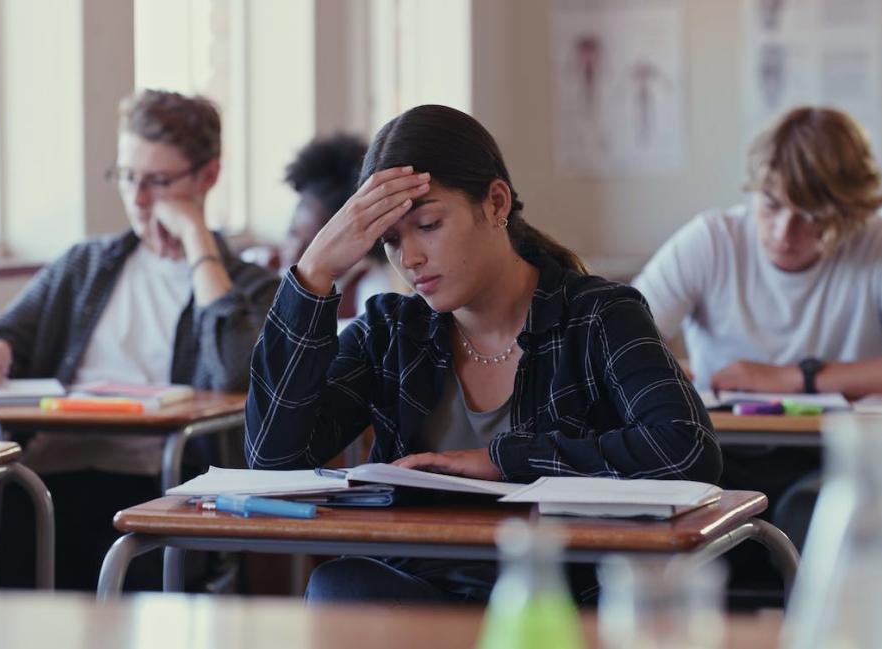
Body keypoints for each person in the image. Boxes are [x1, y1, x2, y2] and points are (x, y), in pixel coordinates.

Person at [245, 104, 720, 603]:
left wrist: (505, 460)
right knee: (337, 587)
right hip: (419, 590)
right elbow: (272, 463)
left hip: (557, 596)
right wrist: (315, 270)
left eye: (428, 225)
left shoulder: (599, 315)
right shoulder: (390, 332)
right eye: (389, 241)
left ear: (496, 203)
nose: (410, 259)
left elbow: (686, 449)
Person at [633, 106, 882, 586]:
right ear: (754, 189)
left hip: (832, 461)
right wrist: (663, 376)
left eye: (812, 217)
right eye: (771, 204)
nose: (783, 232)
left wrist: (799, 378)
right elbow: (611, 346)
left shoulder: (880, 245)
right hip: (717, 460)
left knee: (832, 515)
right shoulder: (712, 240)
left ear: (850, 214)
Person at [0, 89, 278, 589]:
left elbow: (233, 372)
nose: (138, 199)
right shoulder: (86, 266)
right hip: (50, 475)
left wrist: (197, 241)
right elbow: (4, 335)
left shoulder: (251, 288)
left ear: (207, 176)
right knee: (5, 517)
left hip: (163, 482)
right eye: (127, 177)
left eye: (158, 182)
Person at [279, 133, 402, 318]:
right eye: (293, 234)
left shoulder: (373, 293)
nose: (294, 253)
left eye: (312, 245)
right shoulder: (265, 270)